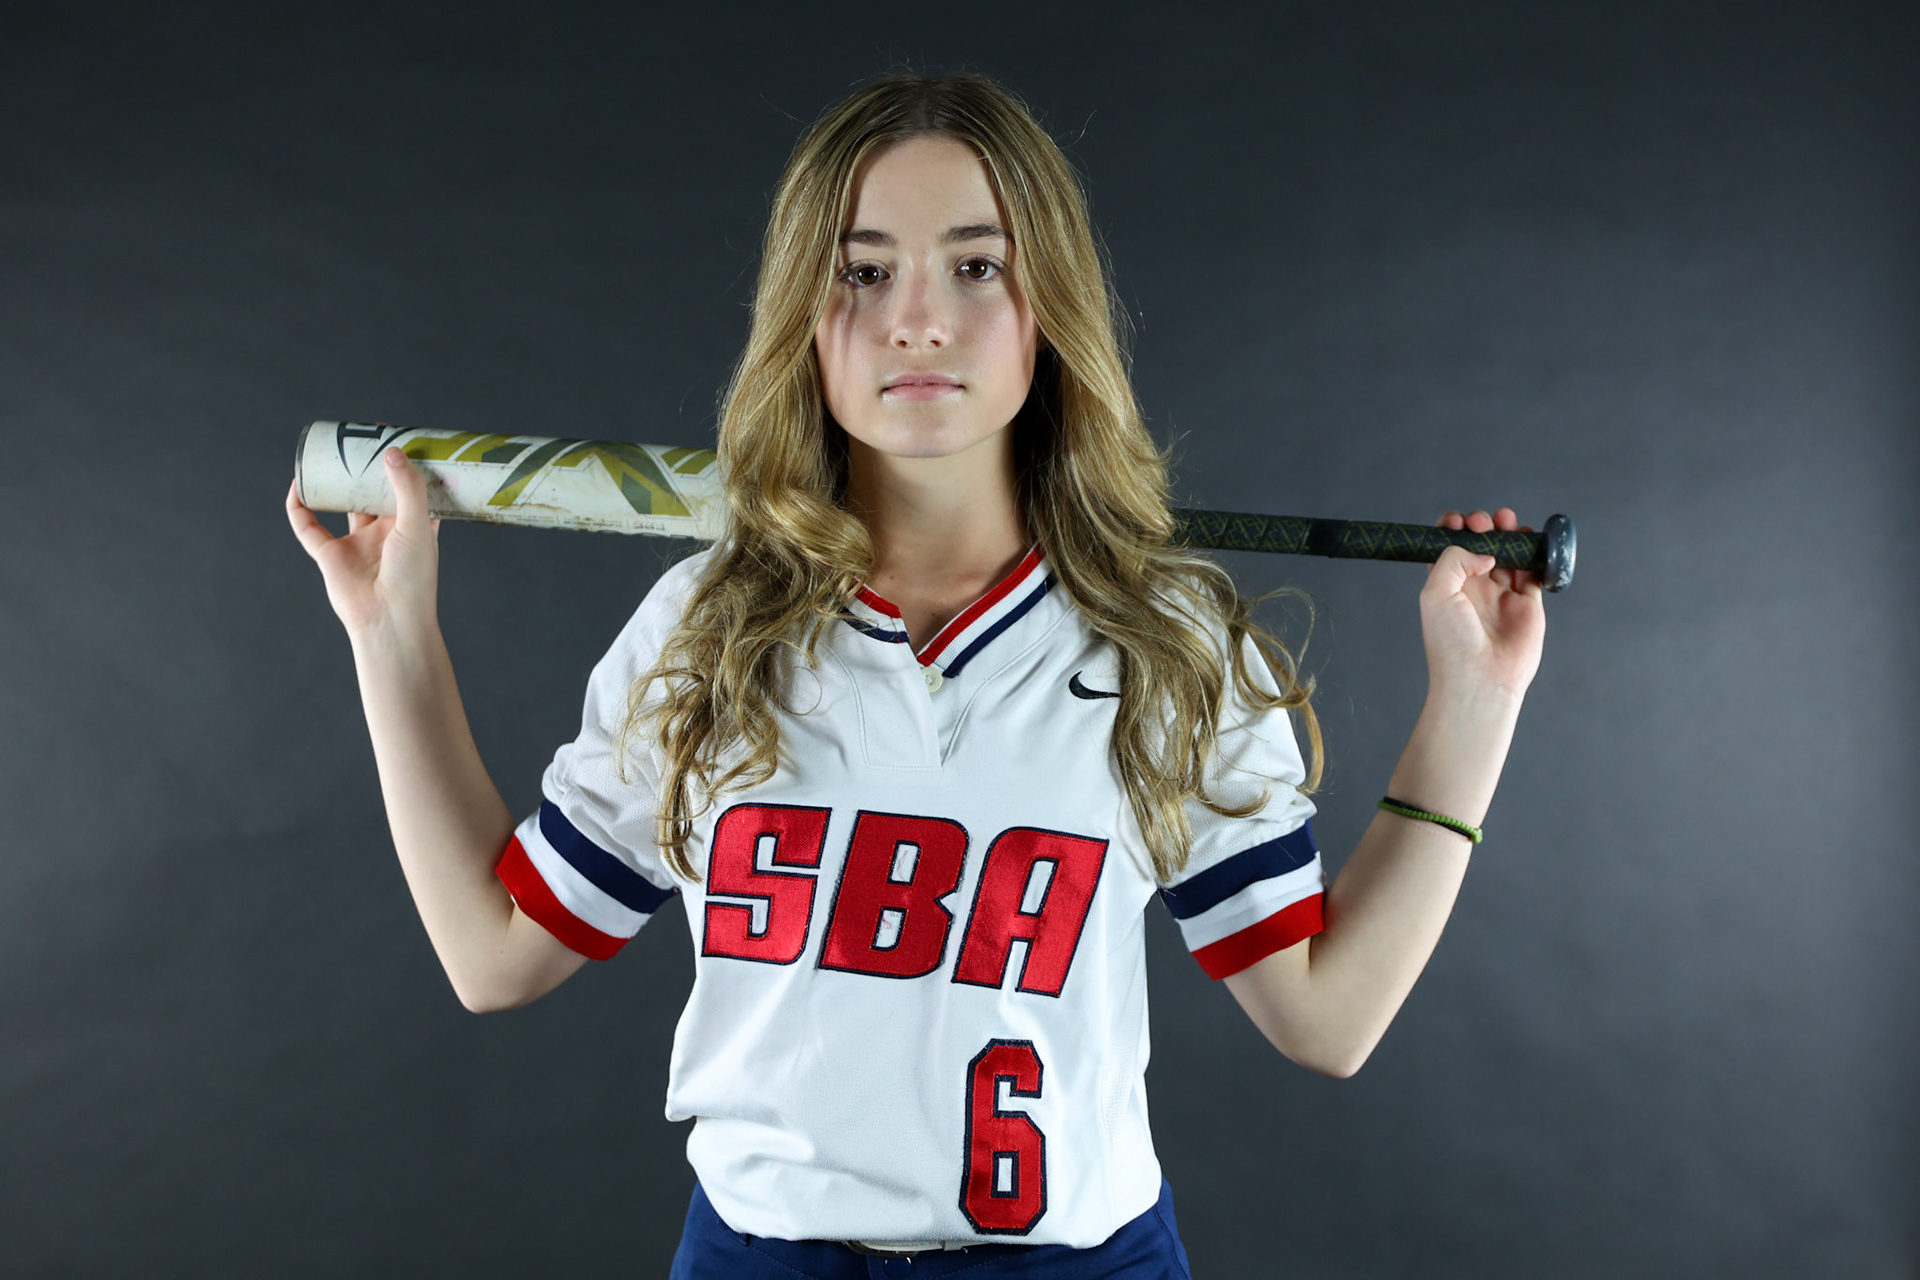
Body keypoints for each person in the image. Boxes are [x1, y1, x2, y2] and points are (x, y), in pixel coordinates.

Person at [285, 71, 1546, 1278]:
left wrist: (1476, 703)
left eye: (976, 265)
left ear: (1049, 306)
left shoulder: (1167, 640)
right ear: (804, 315)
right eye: (865, 270)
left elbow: (1326, 1018)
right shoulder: (706, 625)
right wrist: (389, 632)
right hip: (761, 1259)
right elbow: (496, 953)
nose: (919, 319)